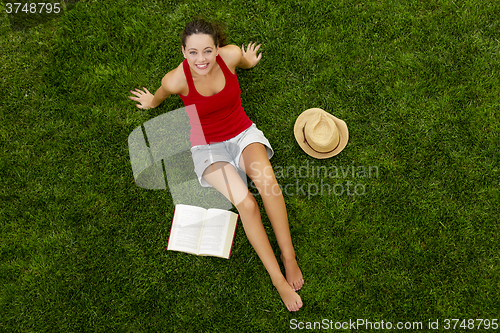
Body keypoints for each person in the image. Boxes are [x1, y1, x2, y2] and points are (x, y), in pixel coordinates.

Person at [128, 18, 304, 312]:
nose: (202, 59)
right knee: (247, 205)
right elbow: (161, 94)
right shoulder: (177, 80)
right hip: (208, 149)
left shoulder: (230, 56)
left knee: (268, 184)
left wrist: (247, 60)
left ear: (217, 48)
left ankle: (288, 256)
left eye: (208, 51)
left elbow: (242, 63)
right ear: (184, 52)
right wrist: (152, 103)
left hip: (243, 134)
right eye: (194, 52)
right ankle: (277, 279)